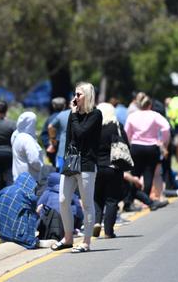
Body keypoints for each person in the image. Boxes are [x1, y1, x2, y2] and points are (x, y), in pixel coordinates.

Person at [51, 82, 102, 254]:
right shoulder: (73, 115)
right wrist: (65, 160)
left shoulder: (95, 114)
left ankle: (86, 242)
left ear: (87, 96)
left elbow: (81, 133)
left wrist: (73, 115)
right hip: (71, 162)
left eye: (79, 94)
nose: (75, 98)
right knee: (63, 200)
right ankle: (68, 238)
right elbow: (70, 138)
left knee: (87, 204)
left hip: (87, 164)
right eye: (75, 94)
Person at [124, 95, 171, 204]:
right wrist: (163, 142)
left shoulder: (132, 116)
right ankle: (146, 200)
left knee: (135, 174)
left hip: (136, 146)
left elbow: (126, 132)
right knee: (148, 174)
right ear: (150, 105)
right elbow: (166, 127)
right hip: (151, 147)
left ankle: (129, 200)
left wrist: (130, 141)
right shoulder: (155, 115)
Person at [93, 103, 127, 239]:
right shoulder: (116, 126)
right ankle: (108, 231)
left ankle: (96, 222)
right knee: (112, 199)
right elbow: (126, 144)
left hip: (96, 167)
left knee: (97, 198)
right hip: (114, 167)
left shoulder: (93, 127)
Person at [0, 173, 39, 249]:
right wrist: (33, 241)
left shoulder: (0, 193)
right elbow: (32, 220)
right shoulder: (28, 197)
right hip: (19, 237)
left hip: (2, 234)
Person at [11, 111, 44, 181]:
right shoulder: (27, 139)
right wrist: (41, 167)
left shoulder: (16, 135)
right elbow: (34, 160)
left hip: (18, 177)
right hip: (29, 180)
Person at [47, 102, 72, 172]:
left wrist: (52, 139)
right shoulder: (85, 115)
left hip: (62, 150)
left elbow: (50, 126)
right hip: (78, 154)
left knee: (61, 177)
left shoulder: (62, 114)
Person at [41, 97, 66, 164]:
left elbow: (44, 134)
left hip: (52, 149)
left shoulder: (49, 119)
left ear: (53, 106)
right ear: (64, 106)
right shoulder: (68, 117)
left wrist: (48, 145)